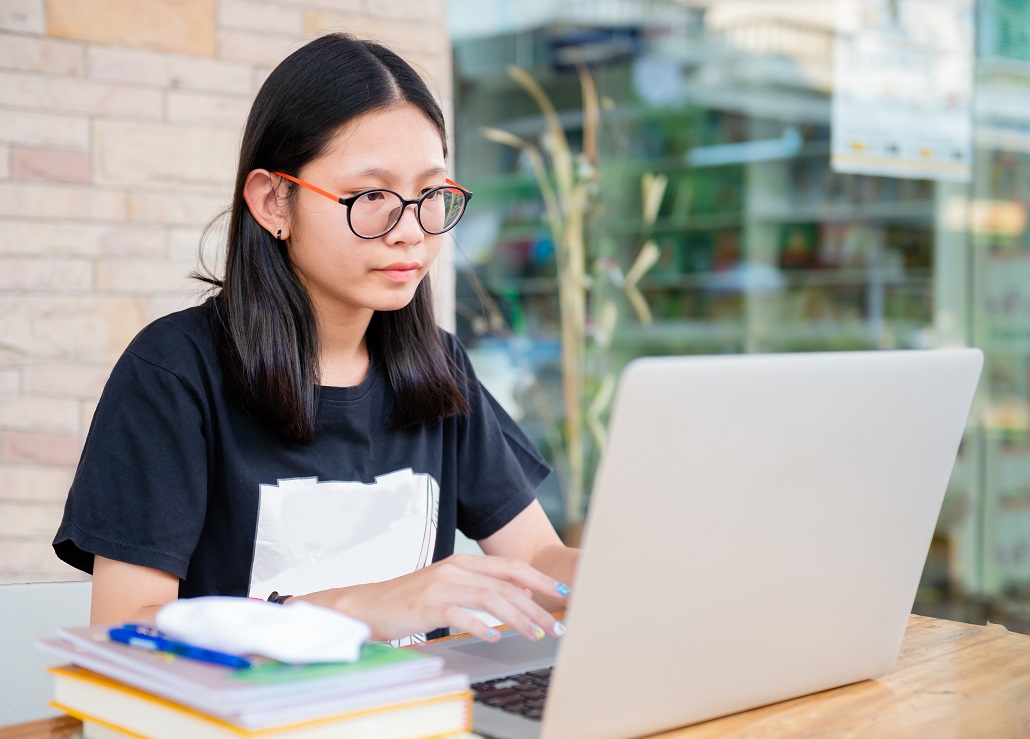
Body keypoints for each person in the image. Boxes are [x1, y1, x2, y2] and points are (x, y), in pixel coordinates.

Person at [53, 33, 578, 647]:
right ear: (274, 201)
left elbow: (539, 559)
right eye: (371, 197)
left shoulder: (439, 369)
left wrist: (650, 576)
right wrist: (366, 606)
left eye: (430, 195)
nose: (410, 230)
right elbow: (128, 630)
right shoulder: (174, 373)